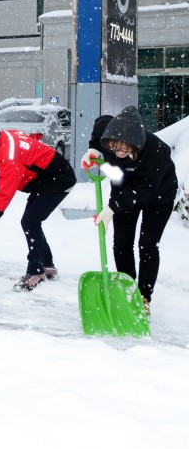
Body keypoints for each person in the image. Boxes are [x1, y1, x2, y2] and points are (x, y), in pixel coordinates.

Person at [0, 111, 75, 291]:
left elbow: (5, 193)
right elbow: (18, 162)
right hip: (46, 178)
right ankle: (47, 266)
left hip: (57, 179)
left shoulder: (8, 158)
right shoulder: (5, 137)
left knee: (30, 221)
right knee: (31, 221)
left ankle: (36, 272)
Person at [81, 105, 177, 315]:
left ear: (136, 143)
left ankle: (144, 296)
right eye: (115, 149)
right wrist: (94, 148)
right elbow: (101, 123)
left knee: (148, 245)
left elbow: (144, 191)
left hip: (159, 195)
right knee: (122, 243)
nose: (120, 154)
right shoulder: (111, 140)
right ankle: (128, 288)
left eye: (125, 150)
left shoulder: (156, 152)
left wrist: (112, 209)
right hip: (124, 189)